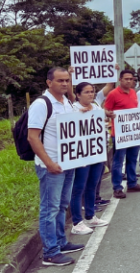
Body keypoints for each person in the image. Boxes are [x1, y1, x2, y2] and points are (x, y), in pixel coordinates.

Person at [26, 67, 85, 266]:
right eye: (60, 80)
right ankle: (50, 252)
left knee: (61, 205)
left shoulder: (67, 102)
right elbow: (32, 137)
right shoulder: (41, 104)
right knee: (49, 209)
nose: (64, 84)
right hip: (50, 166)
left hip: (68, 163)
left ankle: (60, 242)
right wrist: (49, 163)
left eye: (67, 80)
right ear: (49, 82)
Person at [69, 82, 111, 235]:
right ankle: (76, 221)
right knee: (78, 187)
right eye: (86, 92)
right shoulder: (72, 108)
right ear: (78, 95)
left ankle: (90, 216)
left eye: (92, 91)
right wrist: (80, 114)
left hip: (97, 152)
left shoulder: (96, 107)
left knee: (92, 185)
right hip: (81, 155)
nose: (90, 94)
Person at [104, 69, 140, 198]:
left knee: (132, 159)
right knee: (118, 161)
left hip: (133, 133)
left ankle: (132, 183)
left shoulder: (133, 92)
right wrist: (108, 114)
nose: (129, 81)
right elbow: (106, 109)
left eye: (131, 79)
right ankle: (117, 188)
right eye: (126, 79)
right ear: (120, 80)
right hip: (119, 134)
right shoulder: (113, 94)